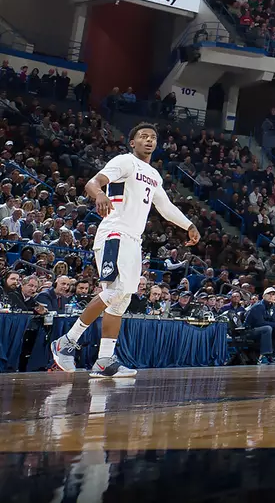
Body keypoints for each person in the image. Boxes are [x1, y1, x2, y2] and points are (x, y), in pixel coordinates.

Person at [50, 122, 199, 378]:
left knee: (121, 300)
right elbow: (93, 182)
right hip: (114, 233)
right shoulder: (125, 161)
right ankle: (66, 342)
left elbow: (165, 206)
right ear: (132, 142)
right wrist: (99, 194)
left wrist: (189, 225)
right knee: (115, 291)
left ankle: (104, 360)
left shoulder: (153, 175)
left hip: (133, 239)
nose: (149, 140)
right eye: (143, 136)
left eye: (153, 137)